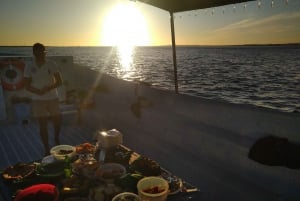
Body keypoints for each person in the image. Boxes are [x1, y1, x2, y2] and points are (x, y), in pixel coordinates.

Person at [24, 43, 62, 155]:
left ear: (45, 52)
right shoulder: (29, 65)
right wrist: (38, 92)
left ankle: (56, 138)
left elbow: (59, 81)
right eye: (38, 52)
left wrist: (48, 88)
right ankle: (46, 148)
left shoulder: (51, 64)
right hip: (38, 99)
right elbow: (27, 85)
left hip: (53, 97)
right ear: (34, 53)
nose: (41, 54)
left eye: (43, 51)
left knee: (57, 120)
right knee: (43, 124)